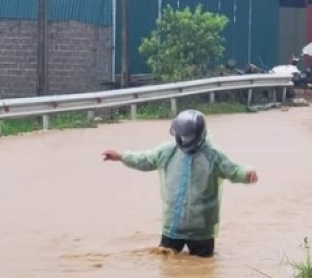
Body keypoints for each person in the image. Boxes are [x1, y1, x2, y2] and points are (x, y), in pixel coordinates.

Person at [102, 109, 258, 258]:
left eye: (188, 135)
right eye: (182, 134)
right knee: (167, 266)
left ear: (199, 134)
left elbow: (233, 171)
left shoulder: (213, 155)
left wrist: (247, 174)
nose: (184, 138)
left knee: (203, 270)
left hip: (202, 228)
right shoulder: (168, 151)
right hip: (173, 226)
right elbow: (146, 159)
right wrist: (122, 156)